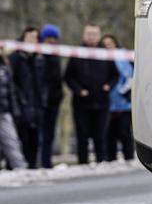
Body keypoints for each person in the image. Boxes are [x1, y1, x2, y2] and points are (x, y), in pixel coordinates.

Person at [64, 24, 118, 164]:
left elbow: (115, 75)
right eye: (89, 33)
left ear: (98, 36)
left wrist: (108, 86)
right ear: (84, 35)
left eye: (94, 34)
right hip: (81, 103)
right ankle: (83, 163)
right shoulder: (77, 53)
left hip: (101, 101)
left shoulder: (105, 53)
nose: (91, 36)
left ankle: (101, 161)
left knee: (100, 135)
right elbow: (68, 77)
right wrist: (78, 90)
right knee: (82, 135)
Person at [9, 27, 45, 167]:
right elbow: (12, 82)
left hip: (36, 105)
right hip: (21, 104)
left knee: (34, 140)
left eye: (35, 37)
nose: (32, 40)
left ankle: (32, 166)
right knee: (19, 138)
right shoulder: (16, 57)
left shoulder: (39, 58)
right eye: (29, 37)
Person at [101, 34, 134, 163]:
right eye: (105, 45)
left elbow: (129, 76)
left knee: (124, 132)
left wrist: (123, 92)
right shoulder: (101, 58)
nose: (108, 47)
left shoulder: (122, 57)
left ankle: (129, 158)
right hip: (107, 103)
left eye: (110, 44)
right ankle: (111, 160)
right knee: (109, 134)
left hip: (123, 103)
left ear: (115, 44)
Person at [39, 24, 63, 169]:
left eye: (54, 38)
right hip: (41, 101)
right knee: (40, 136)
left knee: (49, 135)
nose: (52, 41)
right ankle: (39, 162)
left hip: (54, 100)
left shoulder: (56, 54)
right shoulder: (40, 54)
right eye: (49, 38)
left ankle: (47, 163)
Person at [0, 51, 28, 170]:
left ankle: (20, 168)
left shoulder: (5, 68)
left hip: (4, 111)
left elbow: (11, 91)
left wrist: (14, 109)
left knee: (12, 140)